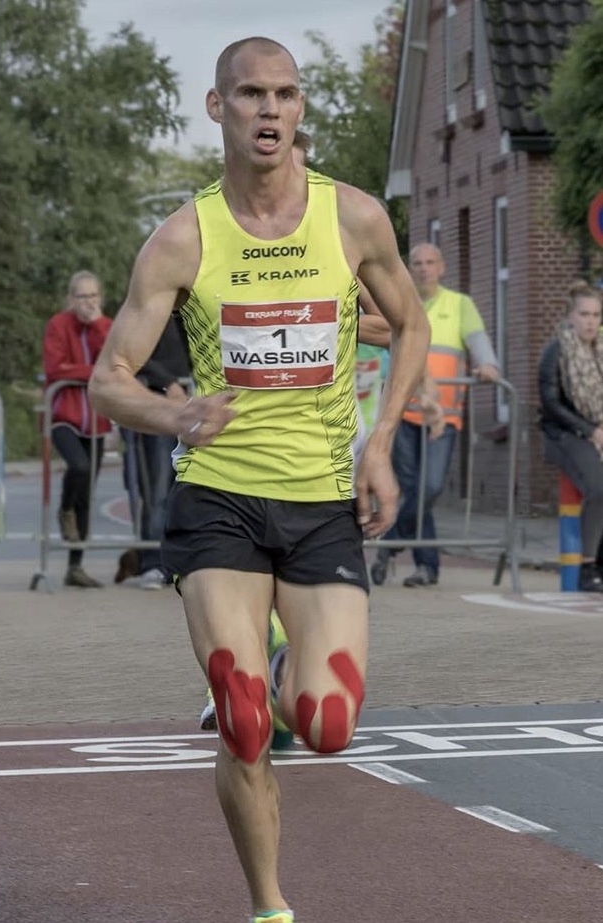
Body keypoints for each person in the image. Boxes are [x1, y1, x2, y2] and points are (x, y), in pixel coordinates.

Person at [89, 37, 430, 923]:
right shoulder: (182, 238)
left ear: (300, 108)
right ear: (219, 109)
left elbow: (413, 323)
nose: (269, 110)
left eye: (284, 94)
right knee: (243, 719)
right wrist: (177, 415)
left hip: (322, 501)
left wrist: (380, 442)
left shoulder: (353, 218)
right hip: (218, 499)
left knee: (325, 723)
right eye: (250, 94)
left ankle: (287, 666)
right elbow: (108, 380)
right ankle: (271, 907)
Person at [371, 242, 500, 588]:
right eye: (417, 263)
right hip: (403, 414)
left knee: (430, 487)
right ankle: (427, 566)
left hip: (443, 416)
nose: (424, 268)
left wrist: (487, 364)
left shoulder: (459, 305)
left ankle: (390, 543)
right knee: (412, 488)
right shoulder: (400, 304)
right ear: (409, 268)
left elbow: (479, 342)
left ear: (441, 267)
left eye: (430, 262)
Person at [42, 270, 112, 589]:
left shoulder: (106, 326)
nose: (88, 303)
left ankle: (75, 566)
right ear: (71, 299)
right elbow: (55, 369)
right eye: (82, 297)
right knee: (78, 467)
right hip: (63, 416)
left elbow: (112, 361)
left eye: (93, 296)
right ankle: (64, 508)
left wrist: (98, 324)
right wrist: (93, 372)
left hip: (95, 420)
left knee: (87, 493)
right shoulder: (58, 325)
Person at [115, 314, 192, 589]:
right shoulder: (149, 307)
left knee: (186, 489)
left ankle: (176, 562)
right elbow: (132, 356)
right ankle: (152, 563)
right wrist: (169, 382)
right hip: (157, 411)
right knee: (157, 491)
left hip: (192, 408)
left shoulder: (192, 308)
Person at [538, 280, 603, 592]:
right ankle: (588, 567)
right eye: (585, 314)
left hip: (597, 431)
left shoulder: (601, 351)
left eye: (595, 315)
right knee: (599, 488)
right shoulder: (557, 351)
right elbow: (551, 403)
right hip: (563, 433)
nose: (590, 321)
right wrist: (591, 431)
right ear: (571, 316)